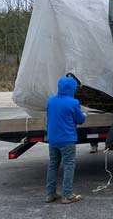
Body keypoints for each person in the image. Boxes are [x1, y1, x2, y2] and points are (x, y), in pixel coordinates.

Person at [45, 76, 86, 204]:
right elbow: (80, 120)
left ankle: (50, 194)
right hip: (67, 139)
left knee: (53, 165)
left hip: (53, 139)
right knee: (69, 166)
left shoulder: (51, 101)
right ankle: (67, 194)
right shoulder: (73, 102)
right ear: (72, 89)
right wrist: (84, 114)